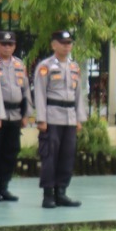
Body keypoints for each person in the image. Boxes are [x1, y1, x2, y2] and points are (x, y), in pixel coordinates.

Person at [33, 30, 87, 209]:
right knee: (50, 156)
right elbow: (40, 93)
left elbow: (79, 94)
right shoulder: (45, 66)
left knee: (67, 156)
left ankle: (61, 191)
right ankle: (48, 194)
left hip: (70, 117)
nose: (66, 46)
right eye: (62, 43)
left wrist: (79, 118)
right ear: (53, 45)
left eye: (69, 43)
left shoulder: (74, 67)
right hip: (52, 116)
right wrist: (41, 118)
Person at [0, 30, 31, 203]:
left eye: (10, 44)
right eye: (3, 44)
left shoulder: (19, 65)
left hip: (14, 115)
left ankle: (4, 186)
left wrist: (26, 114)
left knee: (11, 151)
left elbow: (25, 90)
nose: (7, 47)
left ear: (15, 46)